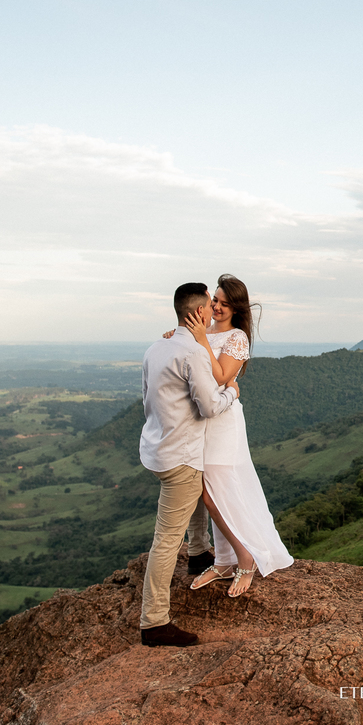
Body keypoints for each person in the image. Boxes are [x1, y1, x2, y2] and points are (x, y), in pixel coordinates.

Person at [177, 274, 295, 597]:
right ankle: (225, 560)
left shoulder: (237, 338)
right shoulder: (203, 331)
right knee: (213, 490)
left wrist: (200, 339)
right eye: (214, 300)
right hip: (200, 422)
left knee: (213, 493)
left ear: (236, 309)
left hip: (223, 423)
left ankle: (245, 558)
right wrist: (179, 337)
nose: (216, 307)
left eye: (224, 304)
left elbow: (220, 377)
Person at [139, 283, 239, 648]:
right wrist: (232, 392)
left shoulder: (156, 348)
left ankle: (198, 552)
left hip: (156, 448)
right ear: (197, 312)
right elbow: (209, 406)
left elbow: (147, 398)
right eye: (210, 305)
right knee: (166, 541)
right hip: (179, 455)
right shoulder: (193, 353)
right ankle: (154, 621)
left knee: (196, 489)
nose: (213, 310)